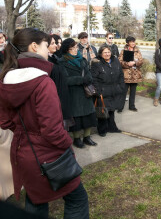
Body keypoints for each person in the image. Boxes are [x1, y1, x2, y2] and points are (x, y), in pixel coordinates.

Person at [0, 28, 89, 218]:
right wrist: (67, 144)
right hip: (50, 154)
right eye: (46, 45)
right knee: (77, 198)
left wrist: (25, 131)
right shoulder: (43, 82)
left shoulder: (6, 79)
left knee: (35, 200)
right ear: (34, 46)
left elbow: (4, 120)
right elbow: (52, 131)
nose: (50, 50)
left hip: (22, 153)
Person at [59, 38, 98, 148]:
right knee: (76, 118)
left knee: (88, 116)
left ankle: (87, 137)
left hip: (85, 93)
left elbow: (89, 73)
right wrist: (81, 80)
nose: (75, 50)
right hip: (73, 94)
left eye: (76, 47)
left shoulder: (82, 60)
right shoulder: (62, 62)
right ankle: (77, 139)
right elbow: (65, 80)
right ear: (66, 50)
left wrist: (88, 78)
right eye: (72, 48)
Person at [91, 45, 125, 136]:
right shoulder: (96, 63)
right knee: (103, 111)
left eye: (108, 52)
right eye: (105, 52)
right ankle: (102, 129)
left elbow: (121, 74)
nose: (107, 54)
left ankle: (112, 127)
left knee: (111, 110)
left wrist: (121, 86)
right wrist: (98, 91)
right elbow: (94, 78)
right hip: (103, 90)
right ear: (101, 54)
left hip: (114, 89)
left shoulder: (115, 60)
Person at [47, 35, 73, 129]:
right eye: (53, 43)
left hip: (62, 95)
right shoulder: (46, 61)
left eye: (57, 43)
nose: (57, 45)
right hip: (55, 97)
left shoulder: (56, 57)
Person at [119, 36, 143, 112]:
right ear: (128, 43)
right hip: (126, 75)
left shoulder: (137, 51)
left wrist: (135, 63)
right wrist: (127, 64)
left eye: (134, 41)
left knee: (133, 92)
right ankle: (120, 107)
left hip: (135, 75)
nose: (133, 43)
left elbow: (141, 61)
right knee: (124, 92)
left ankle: (132, 106)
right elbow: (120, 62)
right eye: (131, 42)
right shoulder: (123, 51)